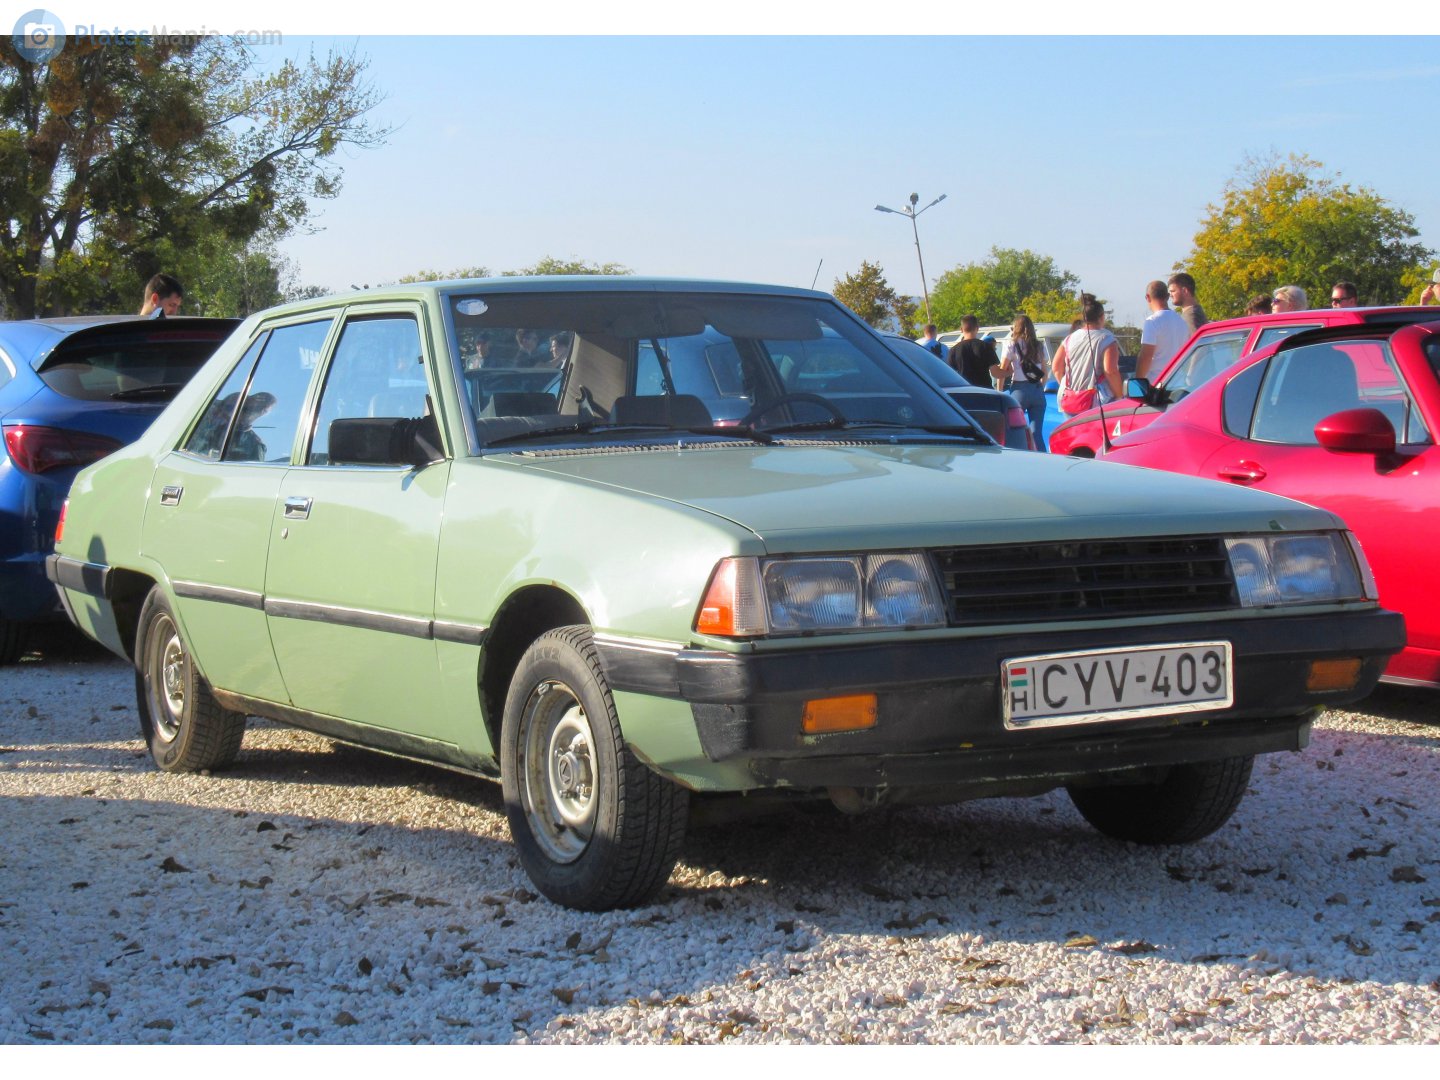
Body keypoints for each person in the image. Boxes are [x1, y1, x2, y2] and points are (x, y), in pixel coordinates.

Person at [1051, 296, 1121, 416]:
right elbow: (1110, 370)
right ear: (1102, 317)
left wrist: (1067, 387)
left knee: (1073, 434)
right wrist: (1120, 396)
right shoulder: (1106, 338)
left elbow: (1056, 367)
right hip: (1096, 401)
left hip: (1069, 400)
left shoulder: (1069, 338)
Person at [993, 314, 1048, 450]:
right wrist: (1041, 386)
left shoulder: (1011, 344)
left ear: (1016, 327)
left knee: (1013, 432)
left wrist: (999, 391)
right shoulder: (1039, 345)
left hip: (1019, 390)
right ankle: (1043, 460)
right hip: (1037, 390)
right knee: (1037, 433)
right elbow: (1045, 372)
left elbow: (1002, 370)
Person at [1135, 280, 1190, 380]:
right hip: (1178, 381)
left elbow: (1146, 356)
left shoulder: (1152, 322)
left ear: (1147, 297)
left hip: (1156, 383)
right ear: (1167, 296)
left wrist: (1137, 382)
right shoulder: (1182, 322)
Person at [950, 315, 999, 387]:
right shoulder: (986, 347)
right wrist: (1010, 371)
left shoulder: (954, 350)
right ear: (977, 328)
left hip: (964, 391)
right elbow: (995, 373)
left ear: (961, 329)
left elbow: (951, 375)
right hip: (984, 391)